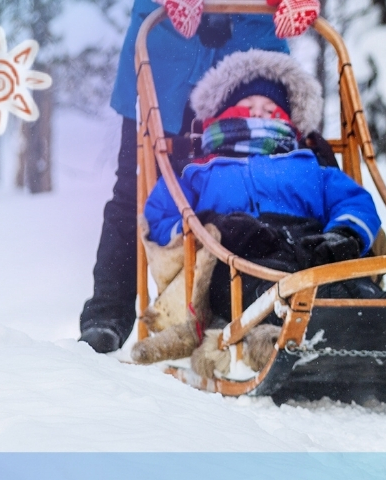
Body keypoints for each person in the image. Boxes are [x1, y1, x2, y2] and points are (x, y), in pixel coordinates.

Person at [77, 0, 317, 353]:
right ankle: (107, 314)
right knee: (136, 189)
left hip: (251, 58)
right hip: (165, 52)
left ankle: (262, 300)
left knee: (266, 187)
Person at [129, 49, 386, 374]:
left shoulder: (309, 164)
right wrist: (208, 225)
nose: (259, 115)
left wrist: (344, 233)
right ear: (221, 117)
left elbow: (353, 201)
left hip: (309, 248)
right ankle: (270, 339)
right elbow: (160, 217)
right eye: (247, 108)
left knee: (349, 286)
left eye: (270, 110)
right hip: (236, 256)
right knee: (256, 288)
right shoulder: (199, 172)